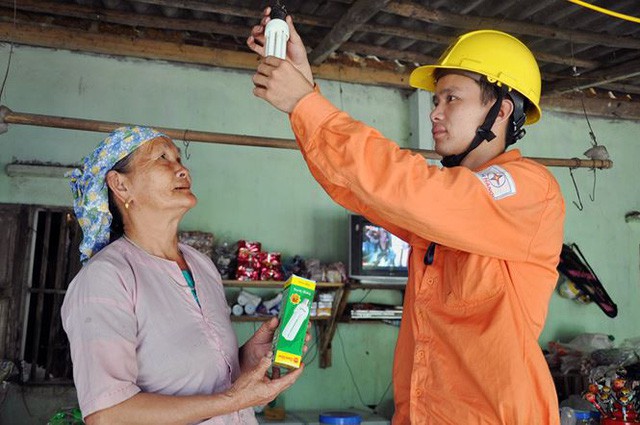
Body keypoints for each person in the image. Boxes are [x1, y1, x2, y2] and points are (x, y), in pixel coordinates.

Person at [248, 9, 565, 425]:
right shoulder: (448, 205)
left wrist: (306, 103)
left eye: (452, 98)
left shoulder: (528, 189)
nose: (435, 112)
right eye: (436, 100)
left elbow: (409, 188)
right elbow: (359, 188)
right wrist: (303, 93)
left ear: (501, 111)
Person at [61, 126, 304, 424]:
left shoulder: (201, 265)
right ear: (120, 185)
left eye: (178, 158)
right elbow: (107, 415)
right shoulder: (106, 278)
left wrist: (249, 357)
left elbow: (202, 379)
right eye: (162, 158)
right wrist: (234, 400)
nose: (182, 170)